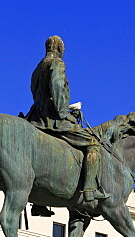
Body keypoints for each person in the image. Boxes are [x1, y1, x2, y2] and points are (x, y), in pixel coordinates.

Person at [24, 35, 109, 212]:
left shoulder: (37, 68)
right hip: (52, 119)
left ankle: (39, 203)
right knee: (93, 143)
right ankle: (89, 191)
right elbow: (56, 88)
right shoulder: (57, 64)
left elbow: (36, 93)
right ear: (60, 49)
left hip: (35, 116)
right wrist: (65, 112)